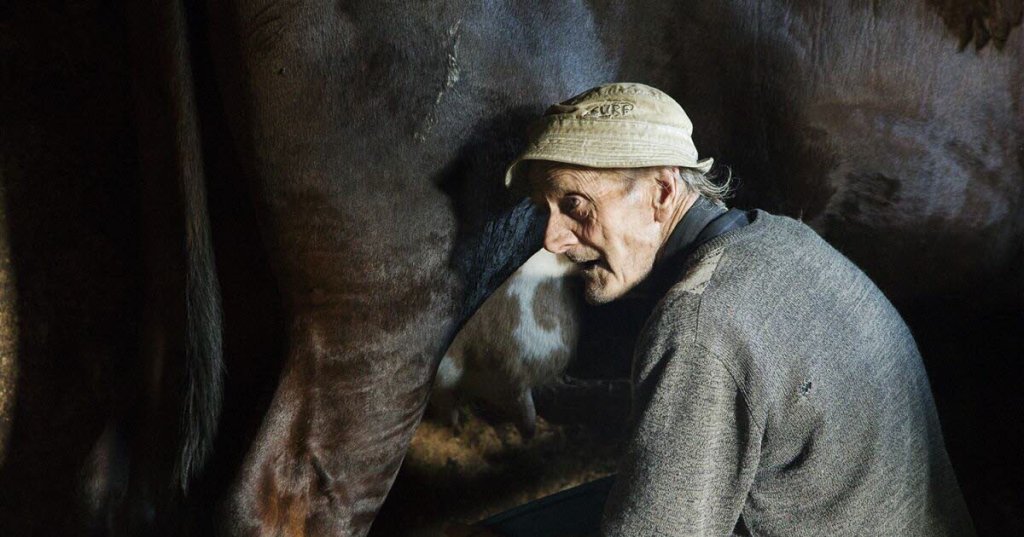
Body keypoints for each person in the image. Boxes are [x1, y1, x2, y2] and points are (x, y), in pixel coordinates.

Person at [504, 83, 975, 536]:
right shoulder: (780, 238)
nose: (552, 238)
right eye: (544, 209)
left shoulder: (698, 324)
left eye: (575, 205)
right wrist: (570, 401)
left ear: (662, 191)